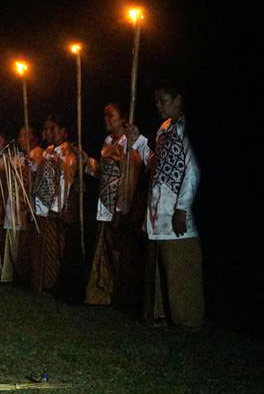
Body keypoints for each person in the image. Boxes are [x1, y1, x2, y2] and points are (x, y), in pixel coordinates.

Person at [127, 80, 203, 331]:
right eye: (157, 102)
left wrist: (182, 207)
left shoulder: (186, 128)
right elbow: (154, 162)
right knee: (160, 265)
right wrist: (138, 140)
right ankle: (161, 315)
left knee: (180, 266)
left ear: (179, 100)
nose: (159, 106)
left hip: (177, 209)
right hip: (158, 208)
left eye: (164, 100)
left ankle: (187, 320)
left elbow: (192, 170)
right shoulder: (164, 128)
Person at [76, 103, 147, 306]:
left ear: (123, 119)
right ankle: (101, 293)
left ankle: (121, 295)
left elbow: (130, 176)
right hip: (104, 204)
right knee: (103, 249)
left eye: (111, 116)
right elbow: (102, 173)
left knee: (118, 250)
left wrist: (121, 207)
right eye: (105, 116)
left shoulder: (128, 143)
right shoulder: (108, 141)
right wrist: (87, 161)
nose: (106, 120)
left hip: (119, 204)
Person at [29, 115, 77, 294]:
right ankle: (39, 283)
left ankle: (52, 284)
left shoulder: (68, 154)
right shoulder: (46, 151)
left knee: (53, 248)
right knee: (41, 246)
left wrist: (57, 208)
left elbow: (65, 182)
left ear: (64, 132)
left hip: (54, 209)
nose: (48, 133)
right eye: (46, 129)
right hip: (41, 206)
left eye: (52, 129)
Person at [0, 125, 42, 282]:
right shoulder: (17, 155)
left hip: (26, 205)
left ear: (33, 138)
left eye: (25, 135)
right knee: (12, 238)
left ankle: (23, 275)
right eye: (20, 135)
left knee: (24, 241)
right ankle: (10, 274)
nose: (21, 139)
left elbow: (35, 167)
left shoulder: (37, 152)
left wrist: (28, 163)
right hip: (14, 203)